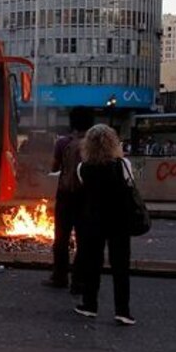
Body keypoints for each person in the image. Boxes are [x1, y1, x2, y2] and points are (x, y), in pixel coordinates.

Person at [74, 124, 136, 325]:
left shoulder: (83, 168)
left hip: (93, 221)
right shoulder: (123, 165)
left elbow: (86, 191)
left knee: (92, 264)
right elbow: (130, 186)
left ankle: (89, 305)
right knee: (121, 266)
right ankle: (123, 311)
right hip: (120, 220)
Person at [43, 106, 94, 292]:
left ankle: (60, 276)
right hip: (87, 197)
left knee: (61, 239)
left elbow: (54, 167)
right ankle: (79, 280)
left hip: (65, 196)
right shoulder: (95, 144)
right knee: (83, 240)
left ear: (72, 123)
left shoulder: (63, 143)